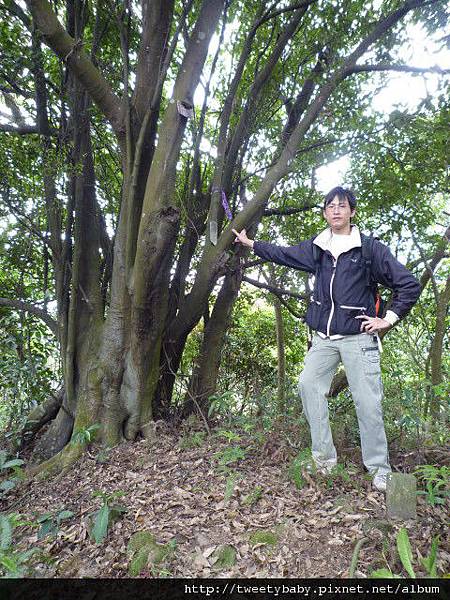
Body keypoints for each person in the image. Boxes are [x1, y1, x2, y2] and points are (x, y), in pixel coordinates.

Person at [232, 186, 421, 491]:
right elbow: (284, 254)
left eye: (342, 205)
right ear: (325, 212)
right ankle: (323, 459)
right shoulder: (318, 248)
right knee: (308, 386)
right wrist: (251, 244)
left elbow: (408, 285)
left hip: (358, 339)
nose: (336, 210)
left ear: (352, 212)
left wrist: (386, 320)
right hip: (324, 338)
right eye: (330, 205)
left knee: (368, 403)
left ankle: (378, 469)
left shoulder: (370, 249)